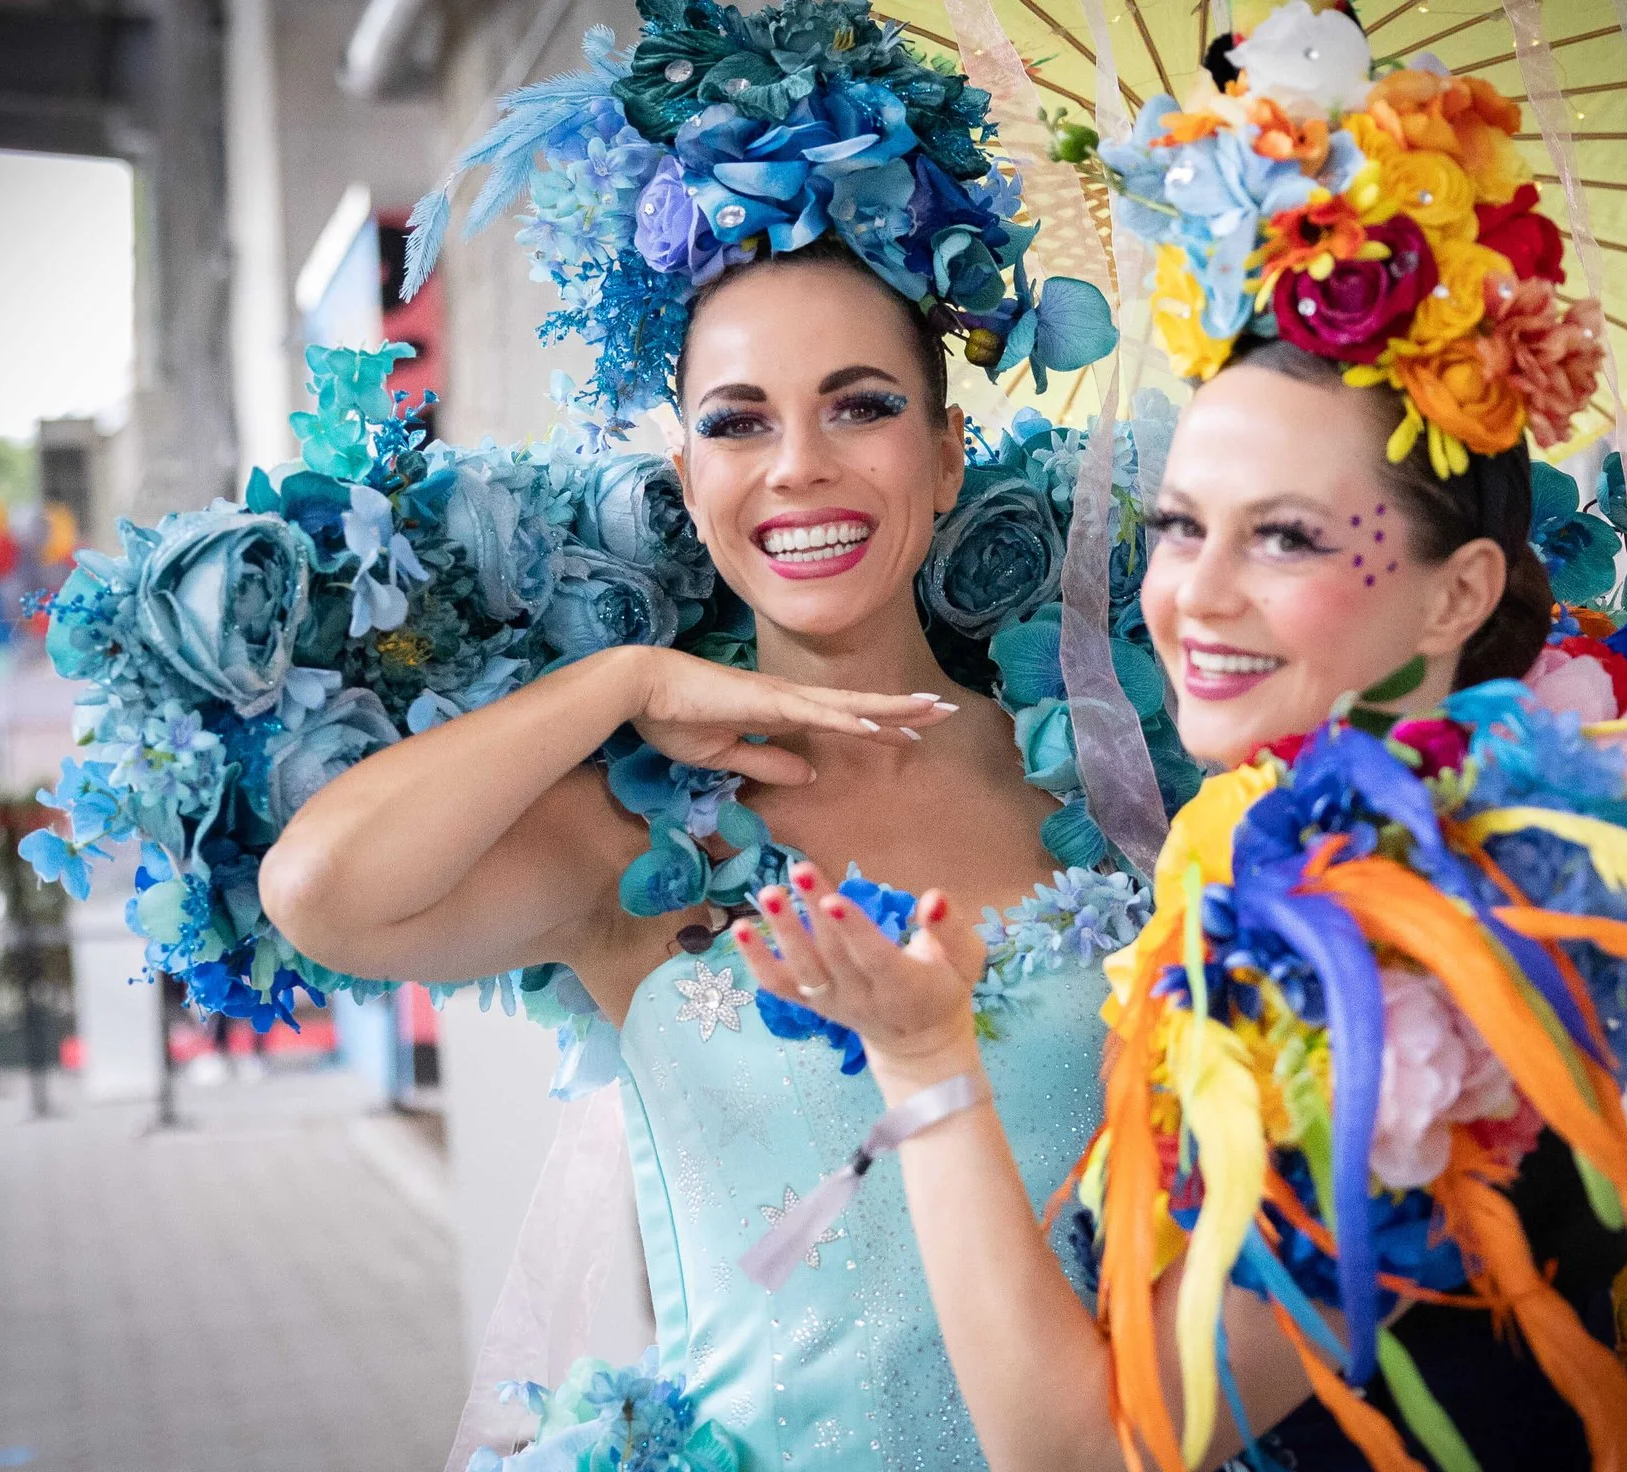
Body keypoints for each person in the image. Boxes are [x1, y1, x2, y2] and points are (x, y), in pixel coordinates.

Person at [728, 12, 1627, 1469]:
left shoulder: (1411, 948)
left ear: (1458, 589)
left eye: (1280, 536)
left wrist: (925, 1059)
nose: (1192, 596)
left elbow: (1087, 1449)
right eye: (1179, 527)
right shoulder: (1349, 830)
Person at [253, 5, 1143, 1466]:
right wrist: (621, 690)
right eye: (738, 423)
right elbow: (318, 894)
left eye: (859, 407)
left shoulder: (1111, 776)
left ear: (945, 448)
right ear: (685, 469)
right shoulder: (640, 834)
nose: (800, 468)